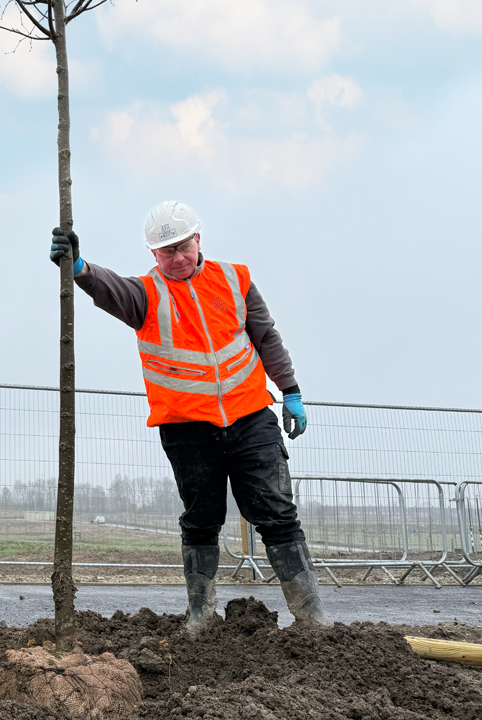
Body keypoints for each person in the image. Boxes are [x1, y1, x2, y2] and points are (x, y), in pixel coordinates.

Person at [49, 201, 327, 630]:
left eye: (183, 247)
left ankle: (311, 616)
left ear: (199, 240)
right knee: (201, 520)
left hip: (251, 417)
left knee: (278, 514)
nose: (177, 258)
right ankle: (201, 615)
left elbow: (266, 336)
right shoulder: (146, 294)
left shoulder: (236, 279)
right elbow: (110, 288)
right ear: (153, 256)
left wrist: (290, 391)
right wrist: (80, 267)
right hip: (187, 430)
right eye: (166, 252)